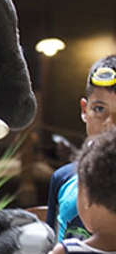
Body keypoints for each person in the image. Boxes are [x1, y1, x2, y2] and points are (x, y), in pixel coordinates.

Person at [45, 55, 116, 241]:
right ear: (85, 110)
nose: (110, 123)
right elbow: (50, 251)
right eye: (100, 109)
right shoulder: (63, 179)